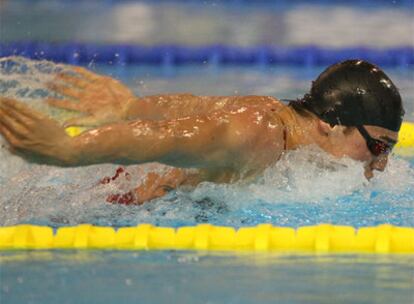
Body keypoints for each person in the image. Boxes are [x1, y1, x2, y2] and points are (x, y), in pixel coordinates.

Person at [0, 59, 404, 204]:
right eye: (377, 146)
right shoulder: (259, 135)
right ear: (329, 123)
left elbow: (193, 109)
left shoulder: (272, 114)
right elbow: (165, 139)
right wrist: (66, 151)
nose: (381, 163)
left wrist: (125, 107)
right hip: (110, 204)